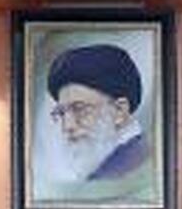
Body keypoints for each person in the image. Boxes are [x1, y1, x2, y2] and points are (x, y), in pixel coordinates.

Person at [45, 43, 150, 183]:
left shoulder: (130, 166)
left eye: (79, 109)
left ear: (119, 111)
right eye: (61, 112)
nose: (67, 126)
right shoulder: (102, 167)